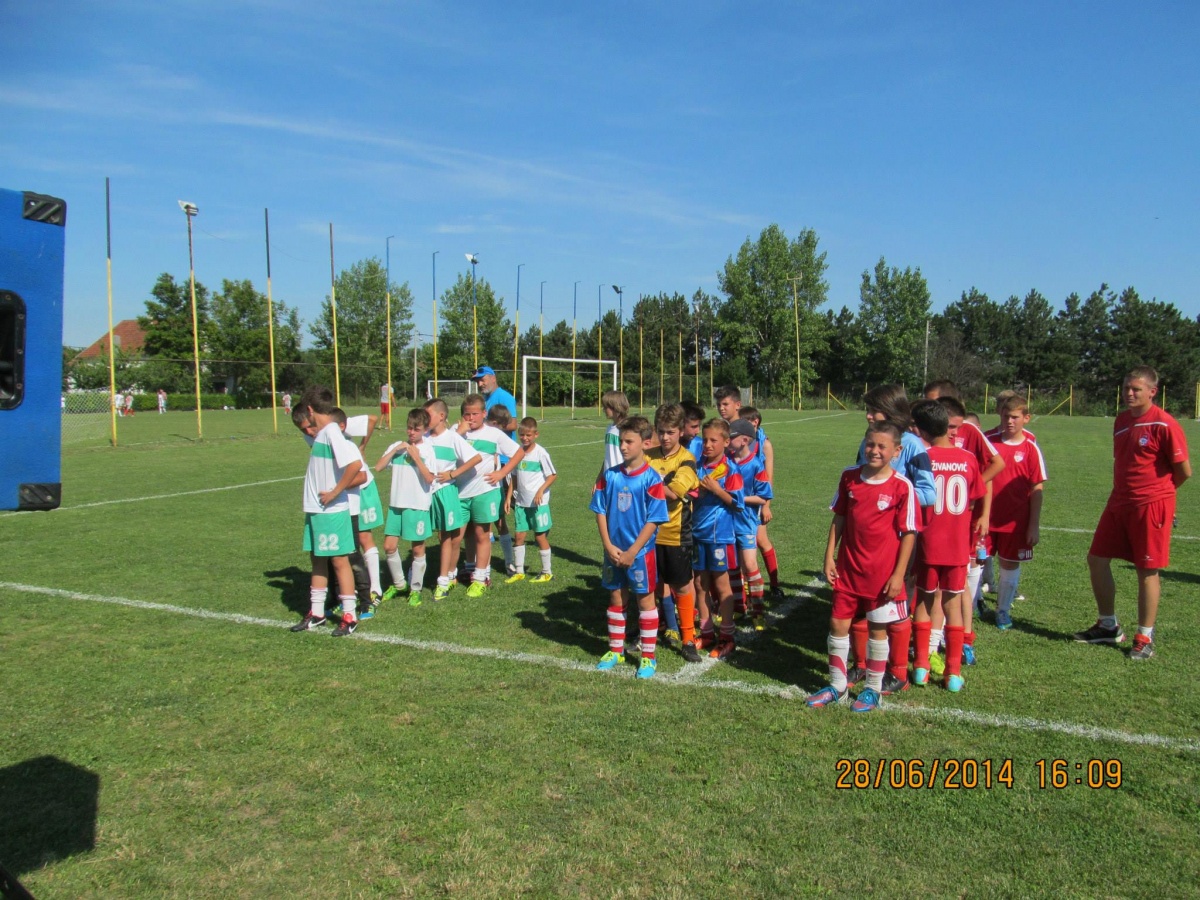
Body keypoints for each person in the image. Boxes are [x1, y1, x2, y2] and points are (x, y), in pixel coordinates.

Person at [1076, 366, 1190, 660]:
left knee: (1146, 569)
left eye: (1136, 389)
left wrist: (1160, 496)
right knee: (1097, 559)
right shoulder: (1122, 420)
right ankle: (1108, 625)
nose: (1129, 393)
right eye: (1126, 387)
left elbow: (1184, 471)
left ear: (1152, 392)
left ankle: (1144, 637)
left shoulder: (1164, 424)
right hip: (1119, 501)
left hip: (1151, 504)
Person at [806, 420, 919, 713]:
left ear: (897, 451)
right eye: (870, 444)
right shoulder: (849, 477)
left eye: (882, 446)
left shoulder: (902, 486)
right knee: (837, 624)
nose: (875, 451)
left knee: (877, 630)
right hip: (848, 570)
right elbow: (839, 518)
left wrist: (898, 574)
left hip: (882, 576)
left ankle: (872, 690)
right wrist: (829, 556)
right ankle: (838, 686)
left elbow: (909, 533)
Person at [909, 400, 985, 692]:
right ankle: (953, 672)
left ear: (921, 431)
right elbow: (975, 498)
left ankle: (921, 668)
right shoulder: (967, 459)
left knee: (924, 602)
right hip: (956, 546)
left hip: (928, 543)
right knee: (953, 605)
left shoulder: (922, 458)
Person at [589, 415, 670, 679]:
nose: (623, 447)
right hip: (613, 551)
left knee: (645, 600)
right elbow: (600, 510)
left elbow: (654, 519)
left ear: (645, 443)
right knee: (616, 598)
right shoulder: (609, 475)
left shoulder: (652, 479)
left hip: (640, 553)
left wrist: (634, 550)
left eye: (629, 442)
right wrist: (607, 545)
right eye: (621, 441)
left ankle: (648, 657)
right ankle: (616, 650)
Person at [289, 390, 366, 637]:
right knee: (317, 560)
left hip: (332, 510)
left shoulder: (332, 431)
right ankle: (317, 613)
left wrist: (335, 492)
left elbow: (355, 465)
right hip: (316, 509)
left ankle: (349, 616)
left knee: (339, 561)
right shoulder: (321, 434)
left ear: (310, 410)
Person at [986, 394, 1047, 631]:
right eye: (1005, 416)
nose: (1009, 421)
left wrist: (1033, 524)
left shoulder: (1030, 448)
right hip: (985, 518)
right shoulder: (989, 442)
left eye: (1014, 417)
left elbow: (1037, 488)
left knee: (1009, 565)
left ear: (1026, 418)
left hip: (1015, 522)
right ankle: (972, 606)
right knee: (975, 563)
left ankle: (1002, 611)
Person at [647, 403, 702, 662]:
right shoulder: (648, 456)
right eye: (661, 431)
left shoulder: (687, 460)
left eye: (670, 432)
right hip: (648, 534)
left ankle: (688, 638)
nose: (665, 437)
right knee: (653, 585)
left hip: (675, 532)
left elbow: (672, 493)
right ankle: (655, 629)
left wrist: (645, 482)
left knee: (681, 585)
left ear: (680, 431)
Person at [456, 394, 524, 598]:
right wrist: (458, 434)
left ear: (484, 413)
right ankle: (469, 567)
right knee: (464, 533)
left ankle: (480, 578)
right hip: (460, 491)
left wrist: (502, 473)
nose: (470, 418)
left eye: (475, 414)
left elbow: (519, 453)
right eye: (466, 414)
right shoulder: (456, 431)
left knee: (482, 533)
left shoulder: (493, 434)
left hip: (485, 491)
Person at [691, 418, 745, 660]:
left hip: (719, 536)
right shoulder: (697, 467)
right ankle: (706, 631)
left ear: (725, 442)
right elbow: (690, 494)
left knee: (722, 586)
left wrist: (717, 490)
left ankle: (727, 636)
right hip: (698, 534)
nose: (708, 445)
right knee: (699, 584)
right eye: (705, 440)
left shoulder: (731, 469)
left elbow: (738, 504)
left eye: (714, 440)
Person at [375, 408, 438, 607]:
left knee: (417, 548)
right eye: (409, 428)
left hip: (417, 505)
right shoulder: (397, 447)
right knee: (389, 546)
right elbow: (378, 467)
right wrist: (395, 450)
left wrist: (416, 458)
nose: (411, 432)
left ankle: (416, 589)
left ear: (425, 430)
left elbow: (430, 478)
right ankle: (399, 584)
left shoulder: (427, 450)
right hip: (396, 504)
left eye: (416, 429)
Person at [423, 398, 483, 602]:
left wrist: (452, 474)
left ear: (441, 416)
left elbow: (475, 458)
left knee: (447, 537)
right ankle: (418, 579)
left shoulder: (452, 438)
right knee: (425, 537)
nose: (424, 419)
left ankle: (444, 580)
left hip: (446, 492)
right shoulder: (424, 438)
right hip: (425, 493)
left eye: (428, 415)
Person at [727, 417, 772, 631]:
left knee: (750, 565)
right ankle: (739, 606)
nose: (727, 441)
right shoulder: (726, 461)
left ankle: (758, 612)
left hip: (746, 522)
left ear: (744, 440)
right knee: (733, 567)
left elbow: (763, 496)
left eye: (731, 437)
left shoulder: (755, 465)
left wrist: (738, 499)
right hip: (726, 522)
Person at [505, 417, 557, 583]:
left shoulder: (541, 453)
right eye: (522, 435)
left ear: (536, 434)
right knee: (519, 536)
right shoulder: (518, 452)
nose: (525, 438)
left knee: (540, 537)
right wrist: (508, 497)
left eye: (528, 435)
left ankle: (547, 572)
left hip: (538, 504)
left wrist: (540, 490)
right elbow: (513, 477)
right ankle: (519, 571)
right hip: (521, 502)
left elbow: (552, 475)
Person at [740, 405, 783, 599]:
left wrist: (766, 505)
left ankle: (774, 584)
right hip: (739, 500)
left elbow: (769, 477)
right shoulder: (738, 441)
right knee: (741, 546)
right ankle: (744, 590)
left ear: (755, 422)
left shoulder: (764, 444)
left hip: (756, 501)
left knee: (761, 541)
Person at [599, 390, 630, 475]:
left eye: (606, 407)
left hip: (621, 477)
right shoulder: (609, 428)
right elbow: (608, 456)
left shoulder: (627, 429)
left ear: (615, 407)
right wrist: (600, 477)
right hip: (608, 477)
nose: (603, 410)